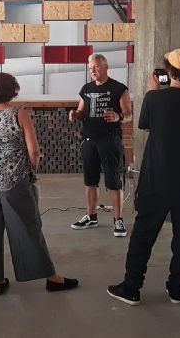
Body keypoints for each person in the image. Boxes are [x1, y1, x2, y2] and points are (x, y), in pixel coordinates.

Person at [0, 72, 79, 295]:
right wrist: (32, 170)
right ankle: (51, 278)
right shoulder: (19, 114)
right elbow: (34, 150)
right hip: (15, 181)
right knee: (28, 228)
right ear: (13, 91)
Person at [107, 47, 180, 306]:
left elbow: (144, 124)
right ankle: (176, 288)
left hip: (158, 178)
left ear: (169, 71)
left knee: (144, 233)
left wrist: (154, 91)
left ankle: (131, 288)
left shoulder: (155, 99)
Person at [68, 53, 132, 237]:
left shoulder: (119, 88)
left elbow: (128, 113)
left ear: (105, 67)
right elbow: (81, 111)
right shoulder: (86, 89)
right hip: (89, 140)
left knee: (113, 181)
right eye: (90, 68)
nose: (93, 71)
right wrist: (75, 115)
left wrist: (118, 116)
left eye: (96, 67)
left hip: (110, 140)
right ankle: (91, 216)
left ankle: (118, 220)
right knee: (90, 181)